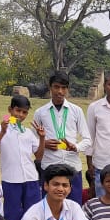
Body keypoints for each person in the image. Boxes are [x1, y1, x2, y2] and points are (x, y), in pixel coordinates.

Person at [0, 94, 46, 220]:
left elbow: (39, 156)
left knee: (33, 214)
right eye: (18, 110)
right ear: (10, 110)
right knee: (12, 215)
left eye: (24, 112)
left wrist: (42, 138)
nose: (20, 115)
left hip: (31, 178)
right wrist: (2, 132)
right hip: (11, 179)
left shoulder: (28, 132)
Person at [33, 71, 91, 204]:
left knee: (73, 208)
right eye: (56, 87)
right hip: (50, 167)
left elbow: (87, 139)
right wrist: (44, 143)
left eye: (63, 88)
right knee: (49, 208)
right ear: (50, 87)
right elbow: (32, 142)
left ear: (67, 89)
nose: (60, 91)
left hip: (72, 168)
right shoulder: (40, 112)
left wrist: (75, 147)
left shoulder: (76, 111)